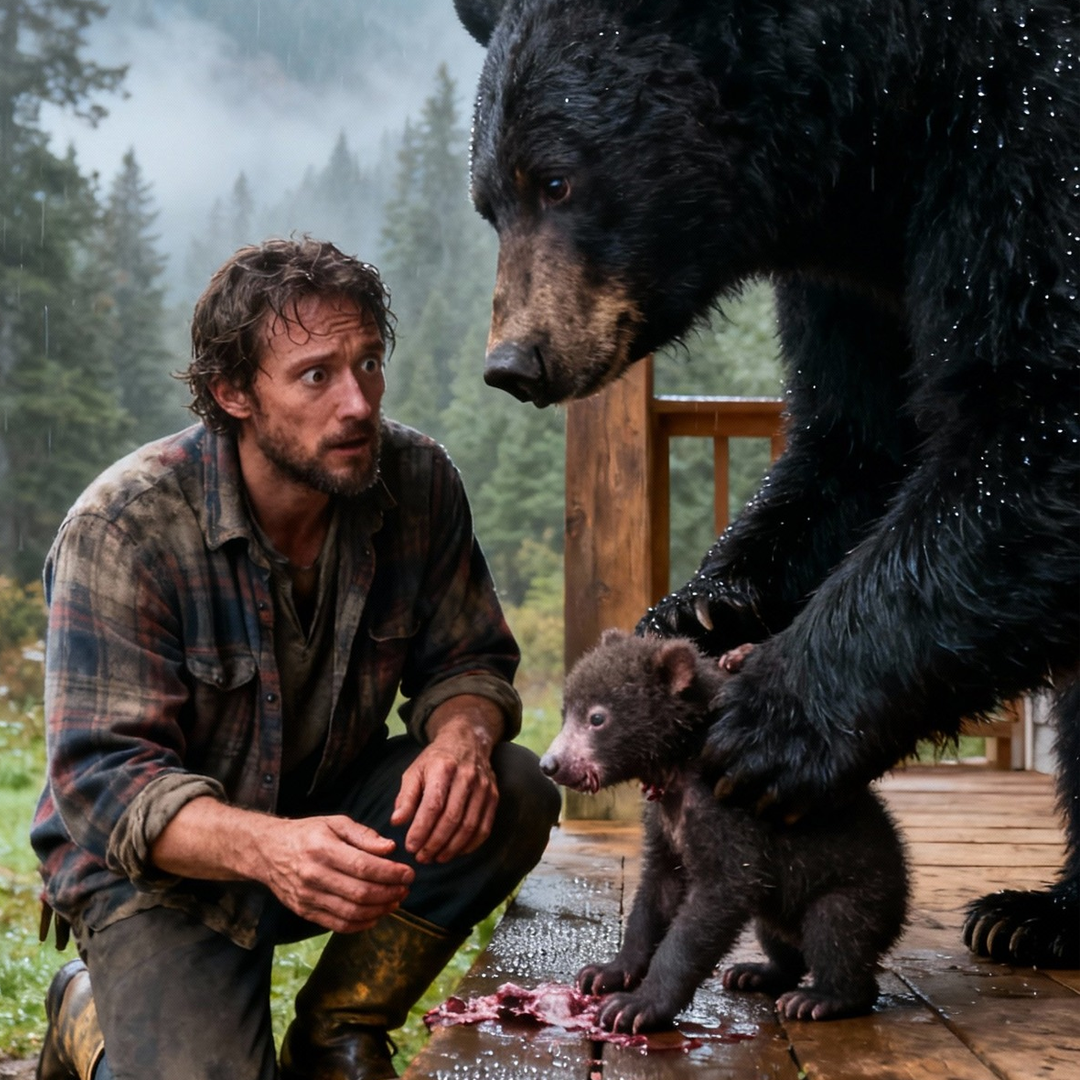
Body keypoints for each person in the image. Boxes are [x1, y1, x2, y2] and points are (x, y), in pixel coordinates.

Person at [30, 237, 562, 1080]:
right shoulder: (125, 528)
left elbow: (470, 660)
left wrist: (461, 737)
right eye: (315, 375)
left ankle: (337, 1031)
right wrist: (270, 848)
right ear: (231, 392)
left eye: (369, 362)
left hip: (329, 818)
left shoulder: (416, 480)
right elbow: (104, 784)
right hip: (159, 873)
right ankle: (86, 1009)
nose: (357, 403)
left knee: (511, 783)